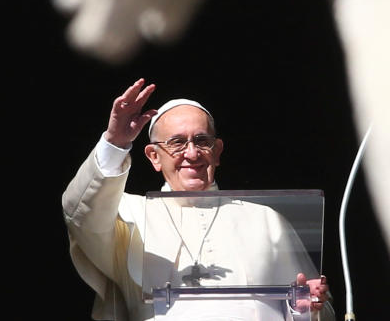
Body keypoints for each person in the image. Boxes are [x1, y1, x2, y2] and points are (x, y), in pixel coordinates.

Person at [63, 78, 333, 321]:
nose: (191, 153)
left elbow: (319, 308)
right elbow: (80, 213)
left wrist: (303, 307)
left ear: (217, 152)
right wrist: (115, 143)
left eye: (202, 141)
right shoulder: (128, 213)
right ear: (154, 156)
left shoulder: (266, 219)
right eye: (177, 143)